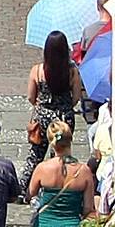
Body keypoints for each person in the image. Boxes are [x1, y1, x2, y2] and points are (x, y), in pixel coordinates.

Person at [20, 122, 95, 227]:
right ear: (70, 140)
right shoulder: (84, 171)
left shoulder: (42, 168)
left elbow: (30, 194)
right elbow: (88, 208)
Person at [26, 32, 83, 181]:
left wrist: (41, 107)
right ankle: (55, 183)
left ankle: (25, 187)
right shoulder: (72, 71)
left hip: (42, 116)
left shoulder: (37, 71)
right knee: (60, 154)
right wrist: (65, 106)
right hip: (64, 117)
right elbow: (76, 97)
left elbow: (31, 97)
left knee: (35, 154)